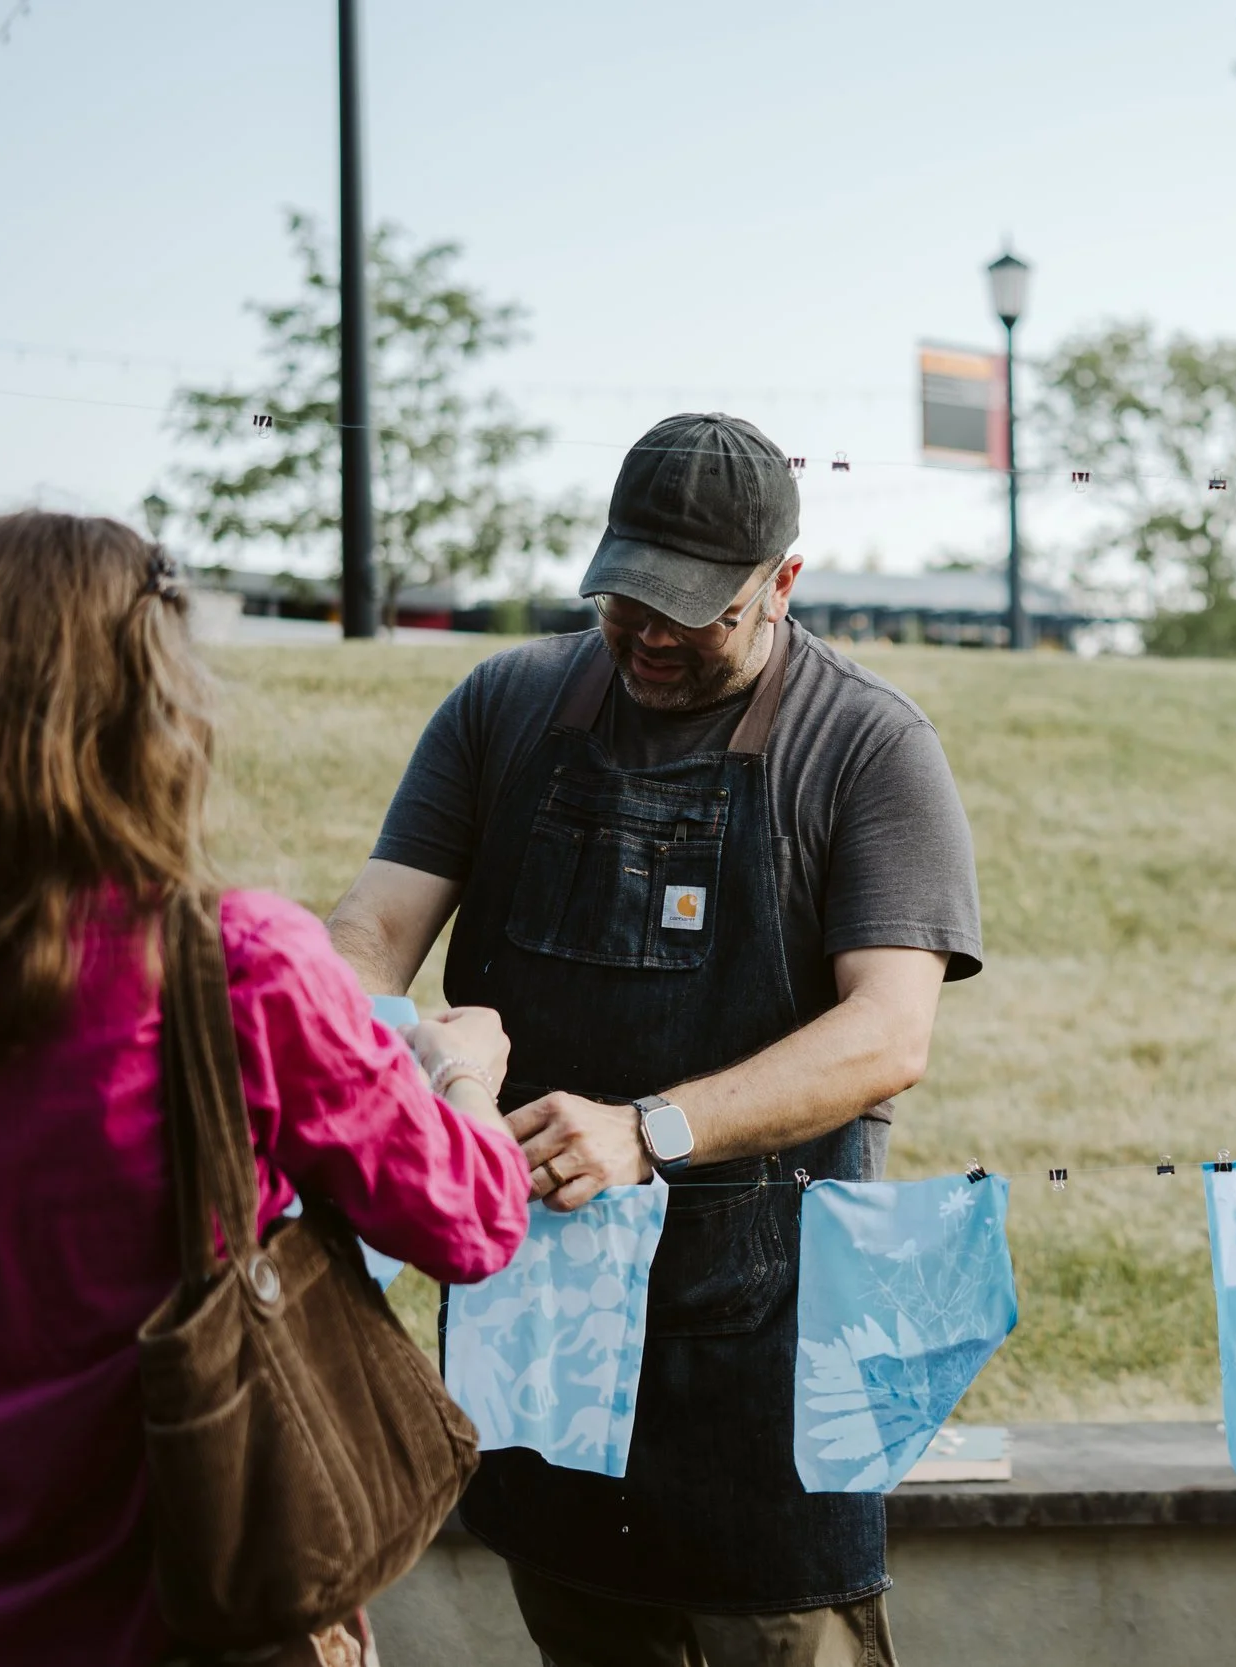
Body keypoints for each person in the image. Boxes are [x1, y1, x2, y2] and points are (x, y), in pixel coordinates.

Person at [324, 413, 983, 1666]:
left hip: (773, 1360)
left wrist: (645, 1131)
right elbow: (364, 940)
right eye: (627, 596)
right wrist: (426, 1052)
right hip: (539, 1337)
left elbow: (887, 1035)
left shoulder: (867, 748)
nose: (650, 636)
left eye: (697, 610)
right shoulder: (504, 707)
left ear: (781, 583)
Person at [0, 513, 536, 1667]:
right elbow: (472, 1217)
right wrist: (462, 1073)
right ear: (152, 718)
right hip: (185, 1614)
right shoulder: (231, 965)